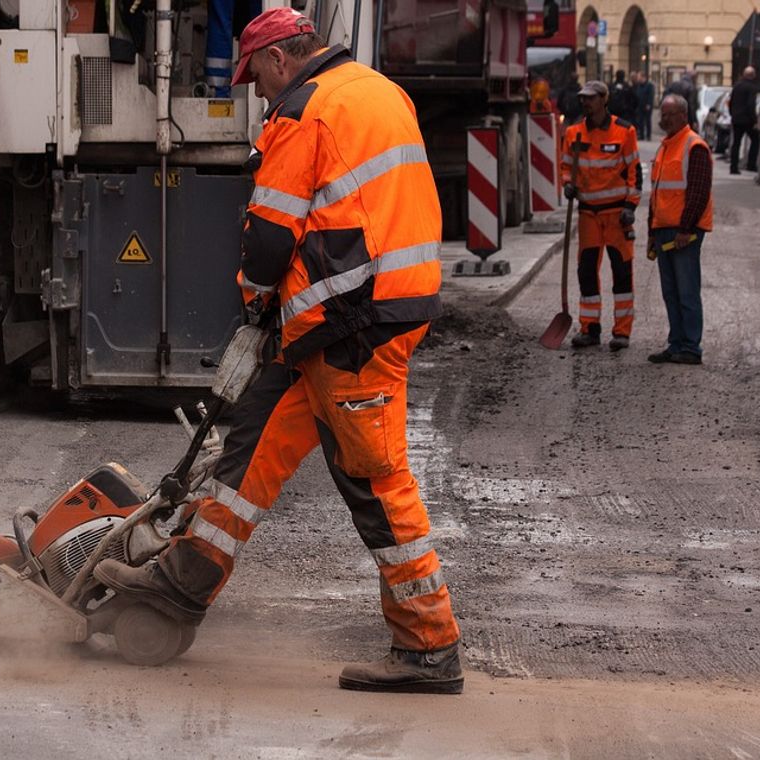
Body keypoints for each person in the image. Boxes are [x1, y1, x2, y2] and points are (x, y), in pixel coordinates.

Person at [94, 7, 462, 694]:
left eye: (255, 74)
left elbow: (269, 235)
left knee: (375, 483)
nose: (256, 89)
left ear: (280, 60)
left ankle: (429, 646)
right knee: (250, 448)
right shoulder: (381, 91)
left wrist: (254, 303)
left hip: (353, 323)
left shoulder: (302, 110)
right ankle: (183, 584)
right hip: (348, 316)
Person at [560, 80, 642, 351]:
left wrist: (631, 205)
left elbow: (635, 172)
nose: (586, 102)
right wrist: (566, 184)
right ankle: (590, 329)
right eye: (583, 97)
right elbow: (565, 166)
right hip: (588, 215)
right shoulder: (573, 133)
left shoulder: (624, 131)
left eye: (592, 98)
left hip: (616, 214)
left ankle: (621, 332)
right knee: (586, 272)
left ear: (604, 100)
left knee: (621, 272)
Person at [647, 95, 712, 365]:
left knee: (686, 291)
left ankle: (690, 347)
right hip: (664, 229)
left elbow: (697, 192)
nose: (665, 119)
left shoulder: (694, 145)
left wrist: (685, 229)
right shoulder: (665, 147)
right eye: (663, 114)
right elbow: (657, 193)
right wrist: (651, 230)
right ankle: (676, 344)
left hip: (684, 232)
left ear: (684, 115)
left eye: (671, 114)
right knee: (671, 292)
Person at [728, 65, 760, 174]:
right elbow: (750, 105)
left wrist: (732, 114)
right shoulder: (752, 87)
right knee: (756, 140)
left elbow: (731, 102)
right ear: (753, 75)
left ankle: (733, 167)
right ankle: (751, 164)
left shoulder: (737, 86)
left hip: (736, 118)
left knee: (736, 143)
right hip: (747, 120)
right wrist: (755, 120)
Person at [633, 71, 655, 140]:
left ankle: (648, 136)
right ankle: (641, 135)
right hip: (640, 106)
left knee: (648, 121)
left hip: (647, 106)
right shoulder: (639, 85)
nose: (638, 78)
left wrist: (649, 104)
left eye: (639, 77)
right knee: (640, 121)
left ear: (643, 77)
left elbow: (650, 95)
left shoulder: (649, 85)